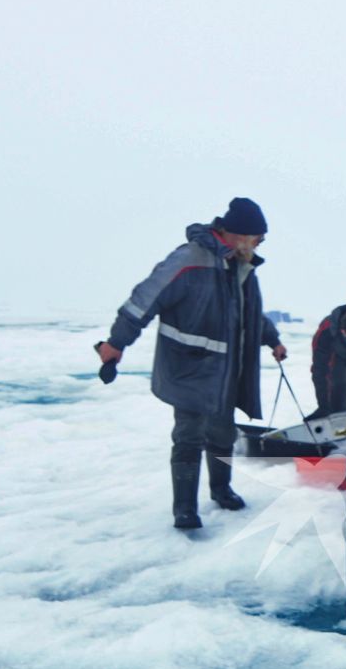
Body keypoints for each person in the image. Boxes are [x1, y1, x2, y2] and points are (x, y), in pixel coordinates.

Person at [97, 197, 286, 532]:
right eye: (258, 237)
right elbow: (144, 299)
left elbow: (250, 312)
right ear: (239, 234)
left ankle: (221, 489)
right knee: (188, 437)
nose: (260, 244)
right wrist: (116, 343)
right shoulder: (189, 259)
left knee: (223, 433)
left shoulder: (242, 266)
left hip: (226, 371)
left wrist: (272, 339)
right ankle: (184, 509)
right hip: (190, 368)